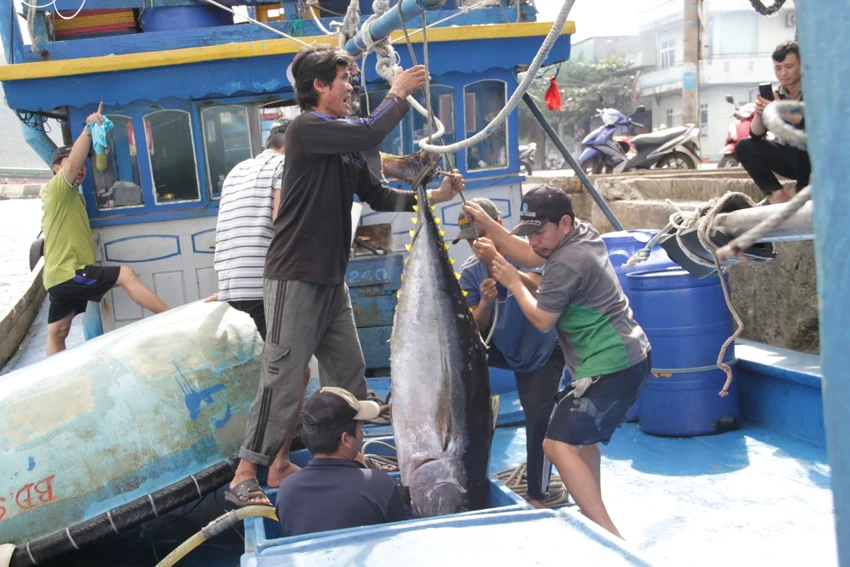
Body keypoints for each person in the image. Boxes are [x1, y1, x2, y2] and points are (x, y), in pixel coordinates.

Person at [225, 46, 463, 507]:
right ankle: (245, 473)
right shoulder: (307, 128)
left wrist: (433, 195)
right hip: (295, 275)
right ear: (319, 86)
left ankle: (346, 461)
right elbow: (373, 128)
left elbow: (378, 196)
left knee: (348, 374)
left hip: (331, 280)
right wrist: (396, 93)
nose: (351, 87)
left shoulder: (346, 147)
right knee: (282, 375)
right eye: (345, 79)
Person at [462, 185, 651, 539]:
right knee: (584, 441)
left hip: (612, 366)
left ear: (564, 223)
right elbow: (532, 257)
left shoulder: (567, 262)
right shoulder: (582, 235)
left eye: (540, 232)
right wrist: (489, 222)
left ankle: (611, 536)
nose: (534, 242)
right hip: (628, 358)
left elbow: (542, 320)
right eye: (529, 233)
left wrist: (513, 280)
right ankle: (593, 513)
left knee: (555, 444)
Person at [453, 198, 565, 509]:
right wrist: (485, 304)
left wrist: (509, 274)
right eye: (470, 240)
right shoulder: (471, 272)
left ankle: (538, 496)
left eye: (481, 236)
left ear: (498, 227)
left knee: (538, 417)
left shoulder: (527, 253)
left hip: (543, 347)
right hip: (505, 347)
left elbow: (548, 288)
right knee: (461, 353)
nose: (475, 245)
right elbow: (475, 330)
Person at [42, 102, 169, 355]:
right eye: (73, 164)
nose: (81, 169)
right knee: (125, 274)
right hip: (69, 271)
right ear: (57, 169)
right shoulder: (57, 189)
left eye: (84, 166)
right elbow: (72, 165)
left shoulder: (73, 197)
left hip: (57, 275)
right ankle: (172, 317)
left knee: (58, 332)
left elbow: (75, 164)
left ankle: (52, 377)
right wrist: (89, 131)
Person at [276, 387, 407, 536]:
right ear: (345, 439)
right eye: (360, 427)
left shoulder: (287, 489)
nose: (362, 433)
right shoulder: (380, 485)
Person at [210, 119, 290, 341]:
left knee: (284, 358)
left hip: (231, 286)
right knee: (290, 363)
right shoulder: (285, 165)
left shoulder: (237, 169)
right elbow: (282, 222)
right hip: (262, 286)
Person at [735, 41, 810, 205]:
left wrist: (780, 111)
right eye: (778, 68)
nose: (783, 73)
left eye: (789, 66)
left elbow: (813, 123)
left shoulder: (815, 90)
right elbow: (756, 134)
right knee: (744, 146)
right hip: (791, 159)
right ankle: (777, 195)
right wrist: (761, 113)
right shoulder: (776, 95)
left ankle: (804, 196)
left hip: (817, 159)